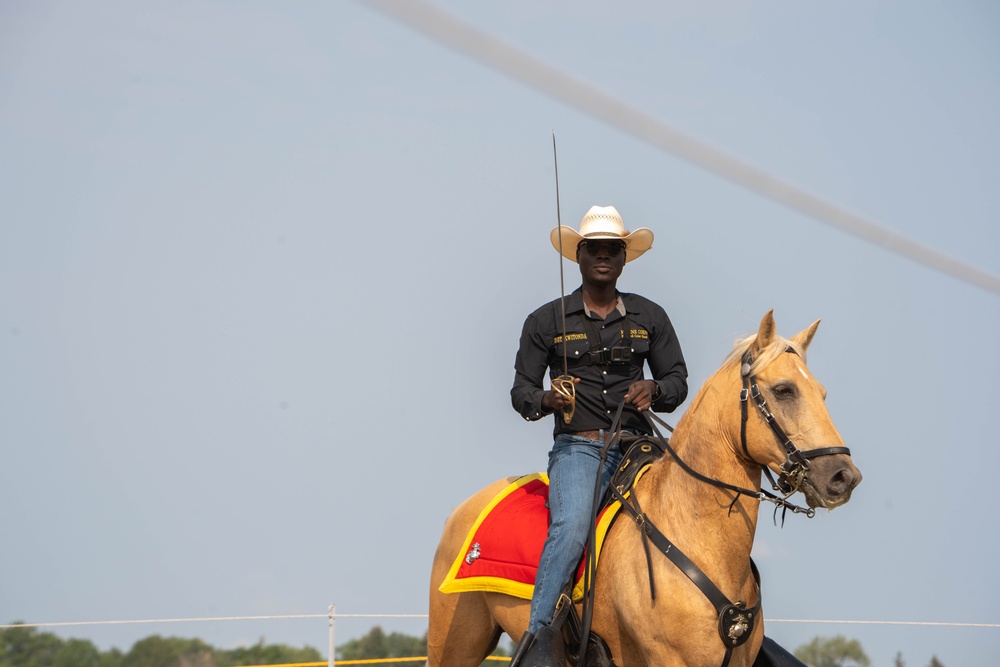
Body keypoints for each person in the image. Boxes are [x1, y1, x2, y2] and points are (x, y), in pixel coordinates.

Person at [508, 205, 688, 666]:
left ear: (624, 258)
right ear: (580, 256)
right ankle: (538, 642)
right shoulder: (546, 321)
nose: (604, 256)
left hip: (640, 445)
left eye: (613, 249)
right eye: (595, 249)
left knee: (692, 512)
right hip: (579, 448)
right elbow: (521, 391)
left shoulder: (651, 315)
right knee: (570, 529)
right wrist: (546, 400)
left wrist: (655, 388)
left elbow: (677, 380)